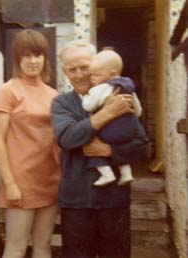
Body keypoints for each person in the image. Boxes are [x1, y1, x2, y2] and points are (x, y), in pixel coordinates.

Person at [50, 41, 149, 258]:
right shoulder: (62, 104)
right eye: (72, 69)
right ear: (65, 72)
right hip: (76, 200)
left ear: (95, 65)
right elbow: (67, 138)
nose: (79, 75)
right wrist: (107, 113)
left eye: (84, 67)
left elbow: (142, 146)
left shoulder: (120, 95)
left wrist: (109, 151)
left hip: (114, 198)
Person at [0, 29, 61, 258]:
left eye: (38, 55)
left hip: (50, 180)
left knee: (43, 246)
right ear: (17, 58)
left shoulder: (53, 95)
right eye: (27, 55)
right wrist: (9, 183)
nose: (33, 61)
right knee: (16, 247)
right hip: (20, 182)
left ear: (45, 57)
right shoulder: (8, 91)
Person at [82, 49, 146, 187]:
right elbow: (138, 111)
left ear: (112, 74)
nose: (92, 78)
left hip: (109, 131)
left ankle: (107, 174)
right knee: (121, 151)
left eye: (96, 75)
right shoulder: (128, 88)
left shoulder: (102, 88)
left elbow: (89, 106)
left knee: (93, 148)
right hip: (127, 132)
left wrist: (86, 97)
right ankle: (127, 174)